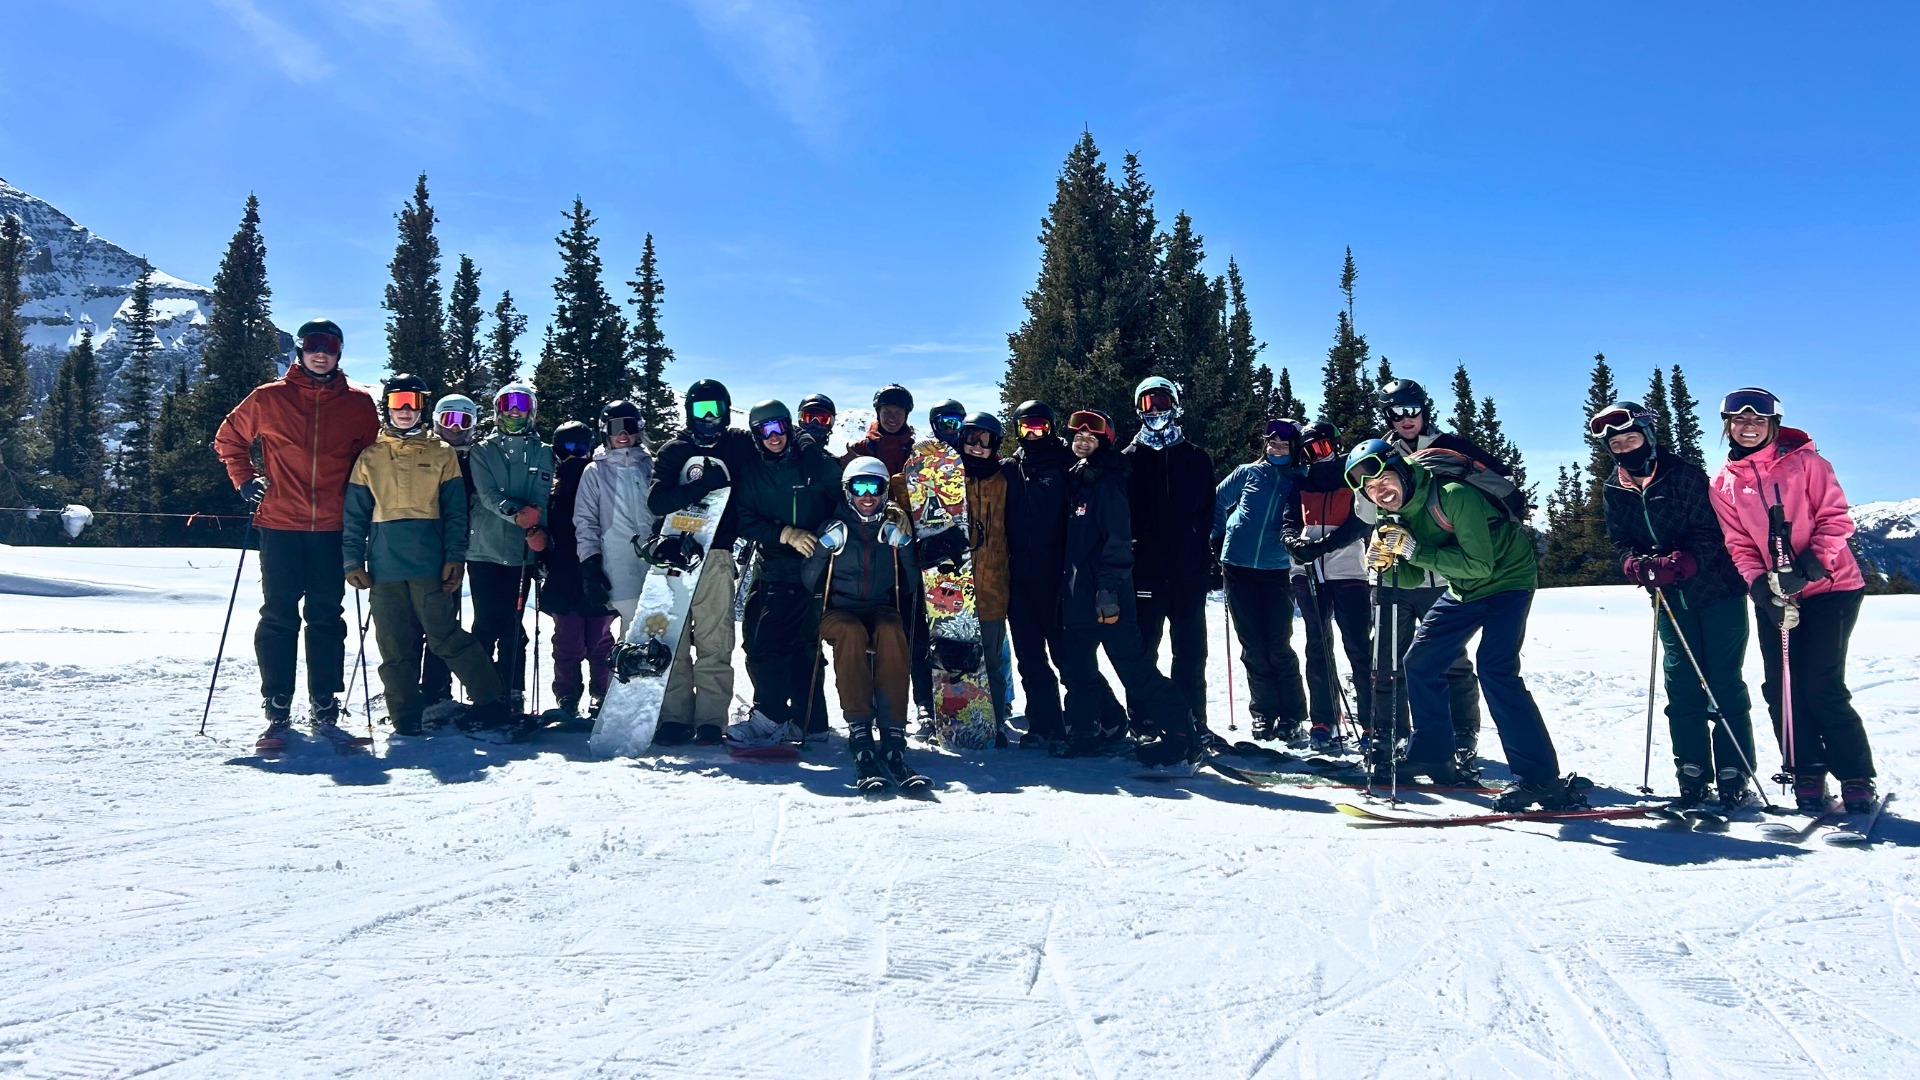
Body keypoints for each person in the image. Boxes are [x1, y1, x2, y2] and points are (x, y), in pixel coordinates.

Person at [1344, 439, 1576, 811]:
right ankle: (1433, 754)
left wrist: (1412, 550)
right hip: (1463, 590)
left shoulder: (1453, 495)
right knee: (1420, 662)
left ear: (1402, 470)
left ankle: (1539, 777)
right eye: (1370, 489)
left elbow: (1481, 565)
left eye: (1383, 480)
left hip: (1508, 581)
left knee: (1496, 669)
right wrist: (1388, 565)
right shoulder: (1392, 517)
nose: (1380, 492)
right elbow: (1412, 575)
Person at [1707, 387, 1876, 813]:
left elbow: (1837, 518)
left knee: (1821, 684)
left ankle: (1854, 773)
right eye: (1739, 420)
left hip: (1832, 588)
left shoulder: (1807, 463)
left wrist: (1812, 564)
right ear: (1728, 426)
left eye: (1758, 421)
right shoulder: (1724, 484)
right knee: (1781, 686)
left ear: (1773, 425)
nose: (1748, 427)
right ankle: (1805, 768)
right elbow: (1739, 543)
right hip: (1776, 593)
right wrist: (1760, 588)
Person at [213, 318, 379, 748]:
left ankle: (325, 705)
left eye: (328, 346)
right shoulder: (269, 398)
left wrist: (367, 508)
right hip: (279, 523)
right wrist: (245, 479)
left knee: (327, 615)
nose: (319, 353)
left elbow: (371, 462)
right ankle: (278, 709)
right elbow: (229, 438)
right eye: (312, 345)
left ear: (339, 352)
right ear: (300, 351)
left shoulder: (359, 405)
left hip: (332, 527)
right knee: (279, 614)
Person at [1595, 401, 1758, 808]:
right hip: (1668, 599)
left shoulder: (1684, 476)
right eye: (1617, 444)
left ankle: (1734, 769)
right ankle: (1692, 769)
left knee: (1722, 680)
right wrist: (1632, 563)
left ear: (1648, 437)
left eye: (1631, 437)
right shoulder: (1615, 487)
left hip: (1717, 590)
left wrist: (1685, 560)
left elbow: (1713, 530)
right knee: (1681, 682)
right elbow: (1620, 539)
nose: (1625, 448)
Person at [341, 374, 508, 737]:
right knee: (394, 645)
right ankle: (406, 718)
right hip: (384, 567)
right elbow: (355, 513)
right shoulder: (370, 456)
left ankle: (493, 701)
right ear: (386, 405)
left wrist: (455, 556)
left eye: (412, 403)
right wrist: (352, 560)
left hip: (429, 564)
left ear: (422, 409)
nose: (404, 410)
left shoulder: (441, 453)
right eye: (397, 401)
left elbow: (455, 512)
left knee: (445, 637)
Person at [1055, 408, 1197, 765]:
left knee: (1133, 668)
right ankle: (1087, 730)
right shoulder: (1077, 477)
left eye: (1092, 436)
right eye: (1078, 436)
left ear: (1105, 441)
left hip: (1108, 595)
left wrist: (1108, 590)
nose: (1082, 440)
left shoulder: (1110, 481)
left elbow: (1117, 541)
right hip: (1078, 593)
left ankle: (1181, 731)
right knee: (1077, 669)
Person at [1371, 378, 1497, 771]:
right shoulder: (1380, 453)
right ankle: (1387, 732)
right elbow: (1365, 505)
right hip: (1396, 570)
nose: (1405, 419)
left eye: (1411, 410)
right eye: (1396, 412)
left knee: (1451, 657)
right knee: (1387, 655)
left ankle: (1463, 731)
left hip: (1444, 574)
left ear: (1424, 410)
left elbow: (1489, 487)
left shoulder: (1450, 447)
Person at [647, 379, 755, 745]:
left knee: (715, 637)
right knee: (672, 637)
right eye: (700, 410)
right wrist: (700, 487)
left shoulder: (739, 444)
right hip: (675, 553)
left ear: (726, 411)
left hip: (718, 553)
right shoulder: (674, 451)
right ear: (689, 413)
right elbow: (656, 502)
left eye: (716, 410)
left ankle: (711, 718)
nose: (709, 419)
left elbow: (777, 443)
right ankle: (675, 716)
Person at [728, 400, 841, 746]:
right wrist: (783, 533)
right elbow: (743, 517)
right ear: (756, 435)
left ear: (790, 427)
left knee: (774, 643)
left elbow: (842, 508)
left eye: (778, 427)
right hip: (769, 564)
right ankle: (809, 720)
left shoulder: (817, 466)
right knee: (761, 638)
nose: (773, 436)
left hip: (807, 568)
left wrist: (822, 538)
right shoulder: (753, 471)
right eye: (764, 430)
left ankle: (774, 715)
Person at [804, 457, 920, 786]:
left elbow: (909, 585)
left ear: (884, 492)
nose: (867, 496)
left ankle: (893, 729)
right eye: (859, 487)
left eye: (875, 487)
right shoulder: (834, 526)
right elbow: (810, 582)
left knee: (891, 629)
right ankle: (859, 727)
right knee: (852, 633)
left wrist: (905, 546)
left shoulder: (891, 527)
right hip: (839, 611)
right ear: (847, 491)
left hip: (880, 608)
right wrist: (824, 548)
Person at [1123, 376, 1216, 742]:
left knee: (1191, 652)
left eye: (1162, 401)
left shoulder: (1195, 458)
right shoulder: (1128, 460)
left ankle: (1193, 720)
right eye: (1148, 403)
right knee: (1143, 651)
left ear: (1175, 405)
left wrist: (1201, 552)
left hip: (1187, 574)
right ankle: (1144, 721)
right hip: (1144, 574)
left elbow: (1207, 512)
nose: (1156, 410)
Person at [1212, 418, 1309, 743]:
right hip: (1237, 567)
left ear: (1294, 446)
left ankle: (1293, 715)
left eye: (1283, 442)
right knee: (1253, 646)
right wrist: (1217, 534)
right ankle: (1263, 714)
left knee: (1278, 646)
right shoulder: (1248, 472)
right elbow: (1217, 500)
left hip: (1276, 570)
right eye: (1271, 441)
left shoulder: (1301, 478)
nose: (1276, 446)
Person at [846, 383, 935, 719]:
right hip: (871, 553)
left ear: (907, 414)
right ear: (878, 413)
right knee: (872, 630)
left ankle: (924, 701)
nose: (893, 416)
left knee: (914, 631)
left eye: (899, 411)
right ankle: (869, 702)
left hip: (909, 551)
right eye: (887, 410)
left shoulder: (919, 451)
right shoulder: (861, 449)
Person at [465, 382, 553, 715]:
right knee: (486, 623)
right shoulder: (483, 450)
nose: (514, 411)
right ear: (497, 410)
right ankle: (484, 694)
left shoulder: (542, 451)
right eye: (507, 404)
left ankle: (513, 693)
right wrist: (516, 513)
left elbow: (541, 494)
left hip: (520, 553)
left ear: (531, 410)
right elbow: (487, 495)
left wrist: (537, 527)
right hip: (485, 551)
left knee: (514, 626)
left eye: (520, 404)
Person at [1284, 421, 1373, 749]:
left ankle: (1371, 723)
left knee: (1359, 646)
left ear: (1336, 444)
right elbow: (1289, 519)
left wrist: (1325, 545)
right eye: (1309, 451)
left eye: (1322, 447)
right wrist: (1292, 541)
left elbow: (1361, 522)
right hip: (1307, 572)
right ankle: (1324, 719)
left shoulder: (1353, 475)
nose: (1317, 456)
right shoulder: (1301, 481)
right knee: (1317, 644)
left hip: (1347, 570)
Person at [1000, 400, 1079, 748]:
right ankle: (1044, 722)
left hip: (1057, 576)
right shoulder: (1009, 468)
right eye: (1026, 428)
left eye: (1040, 427)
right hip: (1019, 578)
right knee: (1029, 656)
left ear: (1051, 428)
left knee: (1067, 655)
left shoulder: (1067, 465)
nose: (1033, 434)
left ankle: (1090, 718)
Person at [542, 420, 617, 722]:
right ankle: (567, 694)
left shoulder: (598, 477)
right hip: (562, 572)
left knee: (599, 637)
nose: (573, 454)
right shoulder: (551, 484)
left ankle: (602, 692)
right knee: (568, 638)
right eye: (566, 448)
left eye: (580, 447)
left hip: (597, 568)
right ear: (557, 451)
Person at [418, 393, 481, 713]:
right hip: (422, 546)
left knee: (444, 619)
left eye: (463, 422)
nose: (455, 429)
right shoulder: (425, 451)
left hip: (458, 549)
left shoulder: (475, 458)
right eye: (449, 420)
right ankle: (413, 687)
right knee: (413, 620)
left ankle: (436, 687)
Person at [574, 401, 655, 641]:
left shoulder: (652, 466)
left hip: (656, 561)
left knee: (659, 630)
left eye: (628, 427)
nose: (622, 434)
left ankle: (658, 679)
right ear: (604, 432)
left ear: (639, 429)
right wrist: (590, 565)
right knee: (634, 632)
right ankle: (626, 677)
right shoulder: (595, 471)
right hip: (619, 563)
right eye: (615, 428)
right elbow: (585, 521)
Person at [959, 411, 1014, 743]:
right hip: (953, 586)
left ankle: (993, 719)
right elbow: (900, 486)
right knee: (954, 658)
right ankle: (956, 716)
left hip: (993, 584)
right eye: (971, 439)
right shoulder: (947, 476)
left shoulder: (1005, 479)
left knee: (991, 660)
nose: (977, 446)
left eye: (985, 441)